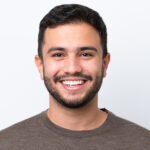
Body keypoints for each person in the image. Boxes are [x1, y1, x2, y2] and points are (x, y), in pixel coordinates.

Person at [0, 4, 149, 150]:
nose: (72, 68)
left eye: (85, 54)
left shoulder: (144, 143)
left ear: (105, 63)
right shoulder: (5, 144)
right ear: (40, 65)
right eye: (58, 55)